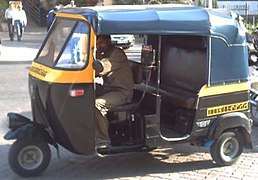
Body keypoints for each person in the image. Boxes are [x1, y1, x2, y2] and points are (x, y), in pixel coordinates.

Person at [95, 35, 134, 146]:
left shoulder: (117, 53)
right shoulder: (106, 53)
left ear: (108, 41)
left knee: (96, 105)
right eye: (97, 44)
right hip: (109, 89)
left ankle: (103, 140)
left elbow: (101, 69)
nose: (99, 46)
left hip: (122, 92)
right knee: (85, 92)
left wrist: (96, 56)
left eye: (101, 43)